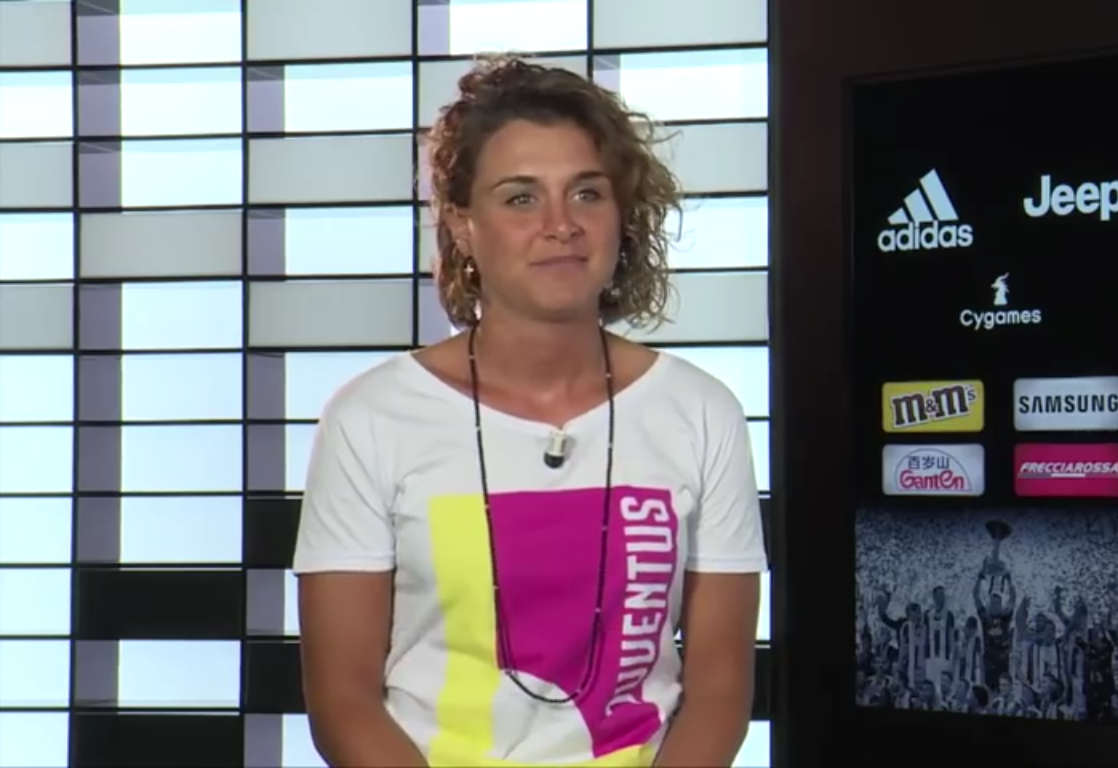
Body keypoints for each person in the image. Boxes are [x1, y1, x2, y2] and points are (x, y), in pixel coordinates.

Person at [291, 54, 768, 768]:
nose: (561, 225)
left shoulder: (701, 412)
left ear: (622, 215)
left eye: (587, 193)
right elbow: (342, 701)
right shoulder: (370, 419)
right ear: (463, 224)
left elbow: (721, 690)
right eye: (520, 198)